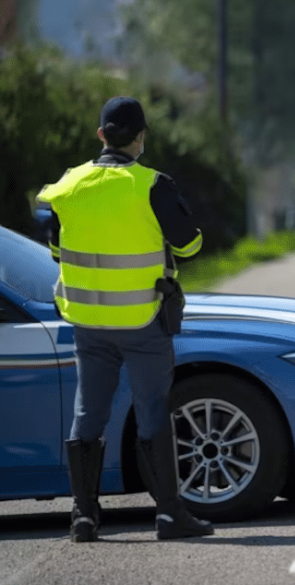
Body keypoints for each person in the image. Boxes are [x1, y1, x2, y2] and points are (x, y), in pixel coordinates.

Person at [36, 97, 214, 542]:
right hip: (142, 321)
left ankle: (83, 517)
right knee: (153, 410)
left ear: (101, 136)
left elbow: (58, 251)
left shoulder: (69, 185)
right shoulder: (151, 185)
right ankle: (170, 515)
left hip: (88, 322)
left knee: (88, 414)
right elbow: (190, 246)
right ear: (141, 138)